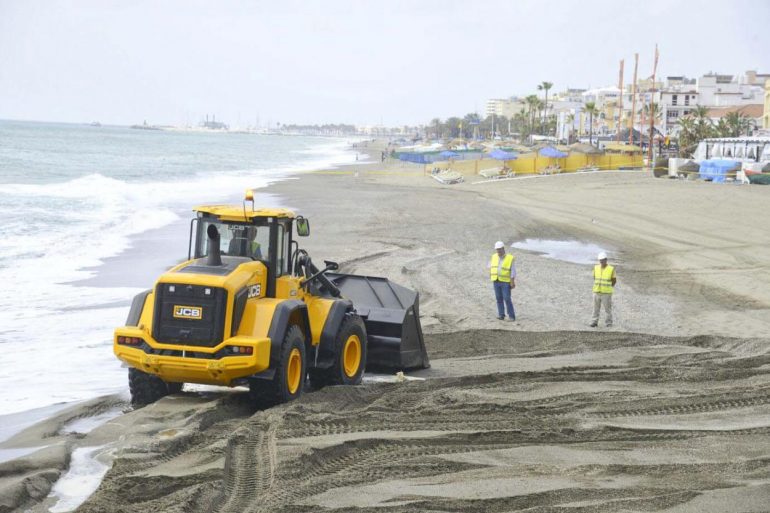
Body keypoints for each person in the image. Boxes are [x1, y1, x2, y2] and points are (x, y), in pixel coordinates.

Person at [488, 241, 516, 320]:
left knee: (507, 298)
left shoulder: (510, 258)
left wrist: (512, 281)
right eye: (497, 249)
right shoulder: (493, 256)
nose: (498, 251)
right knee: (499, 298)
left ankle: (511, 316)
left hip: (505, 281)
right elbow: (490, 266)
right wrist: (490, 274)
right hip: (496, 280)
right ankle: (501, 315)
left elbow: (513, 271)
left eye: (499, 249)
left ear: (503, 248)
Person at [590, 251, 616, 327]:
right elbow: (594, 277)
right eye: (600, 260)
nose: (601, 261)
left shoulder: (611, 269)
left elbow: (614, 280)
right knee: (595, 308)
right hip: (596, 291)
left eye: (602, 260)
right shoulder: (596, 267)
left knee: (608, 309)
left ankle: (609, 323)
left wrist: (608, 287)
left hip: (606, 293)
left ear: (606, 260)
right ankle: (594, 322)